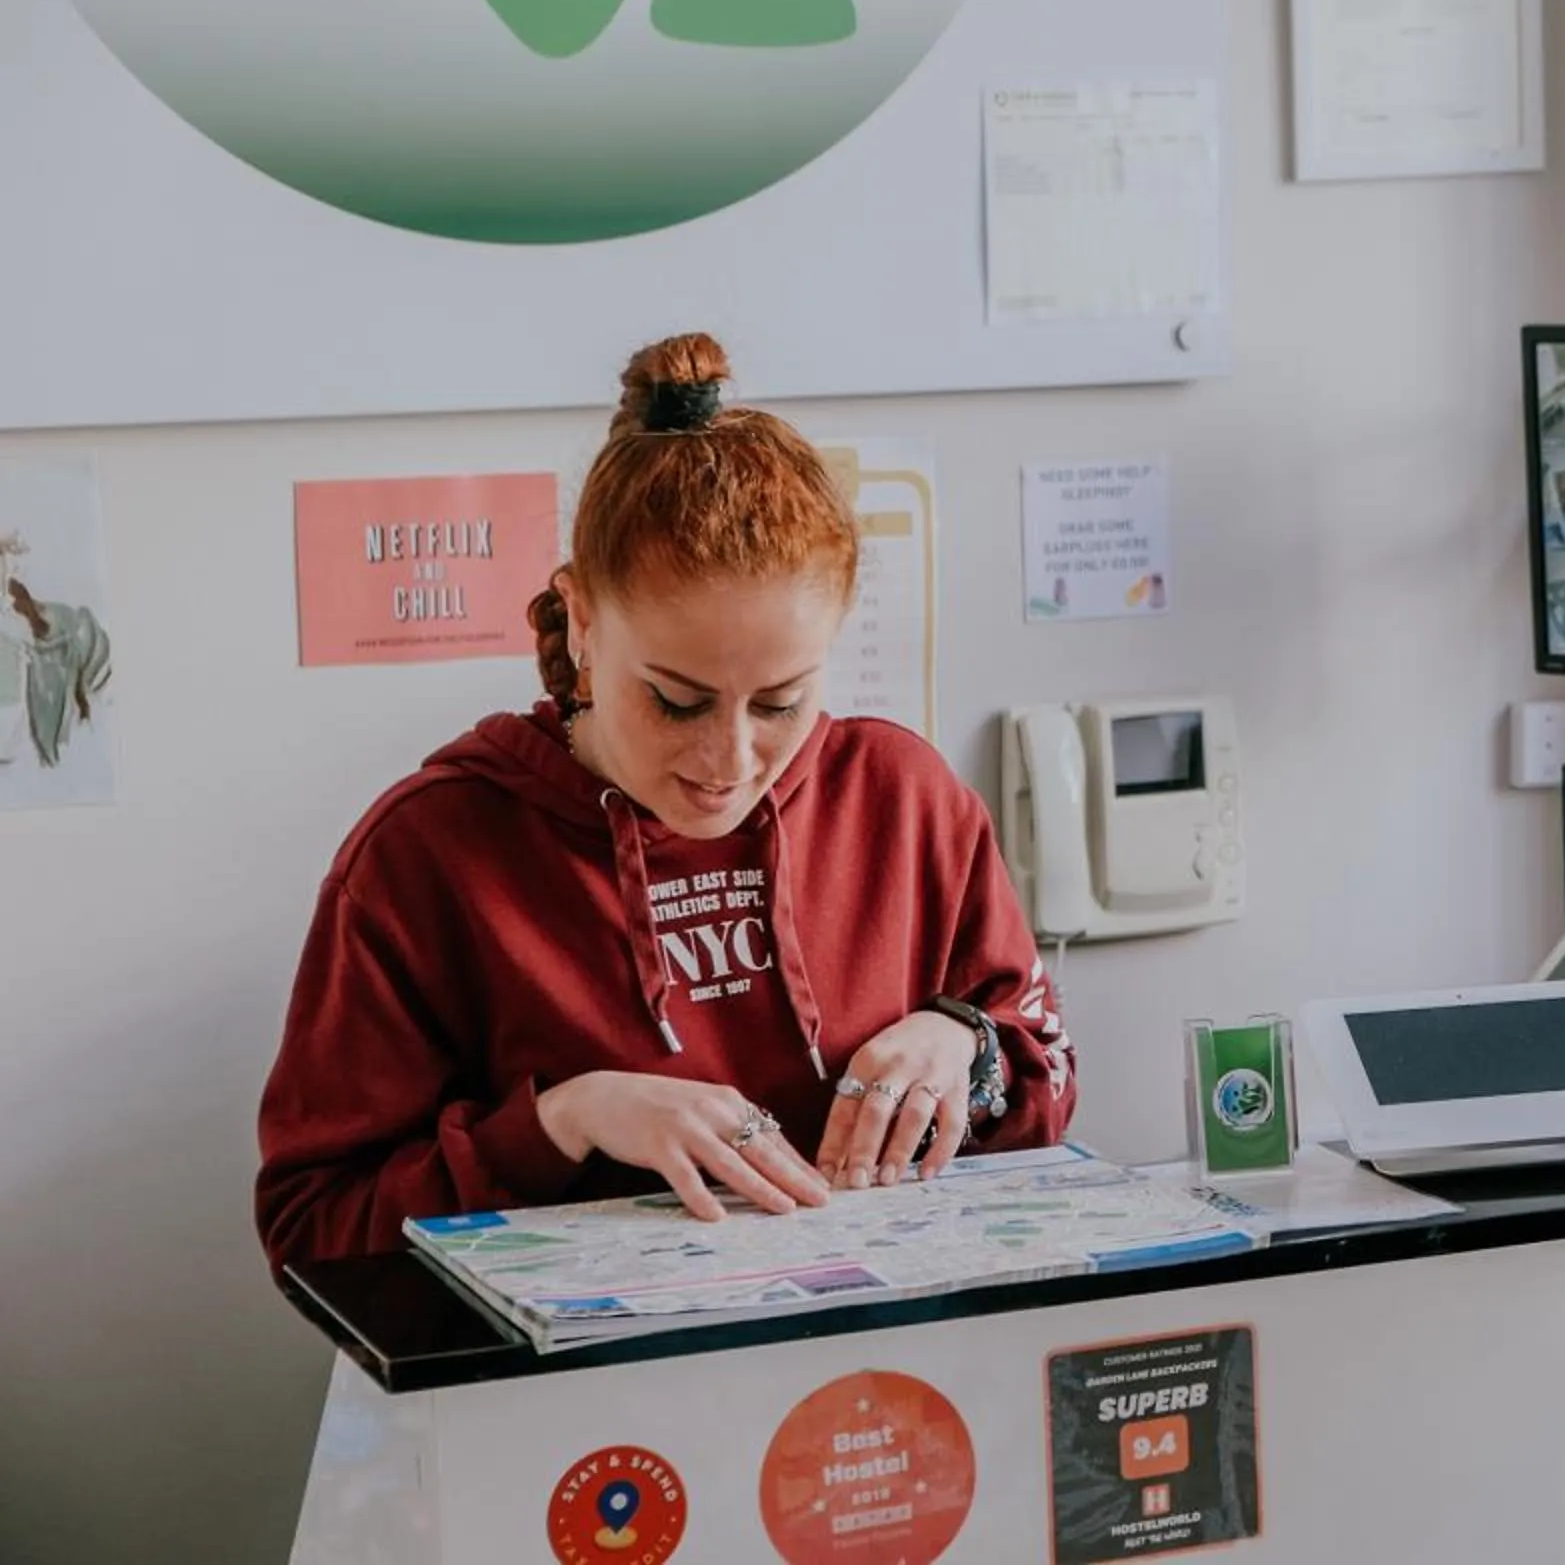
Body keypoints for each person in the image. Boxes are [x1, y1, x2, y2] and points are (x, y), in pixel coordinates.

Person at [256, 334, 1076, 1268]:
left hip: (884, 1375)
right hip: (588, 1409)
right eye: (677, 701)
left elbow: (1041, 1080)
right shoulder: (428, 855)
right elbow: (313, 1231)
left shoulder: (905, 803)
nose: (729, 760)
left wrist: (961, 1045)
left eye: (781, 703)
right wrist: (564, 1123)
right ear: (582, 621)